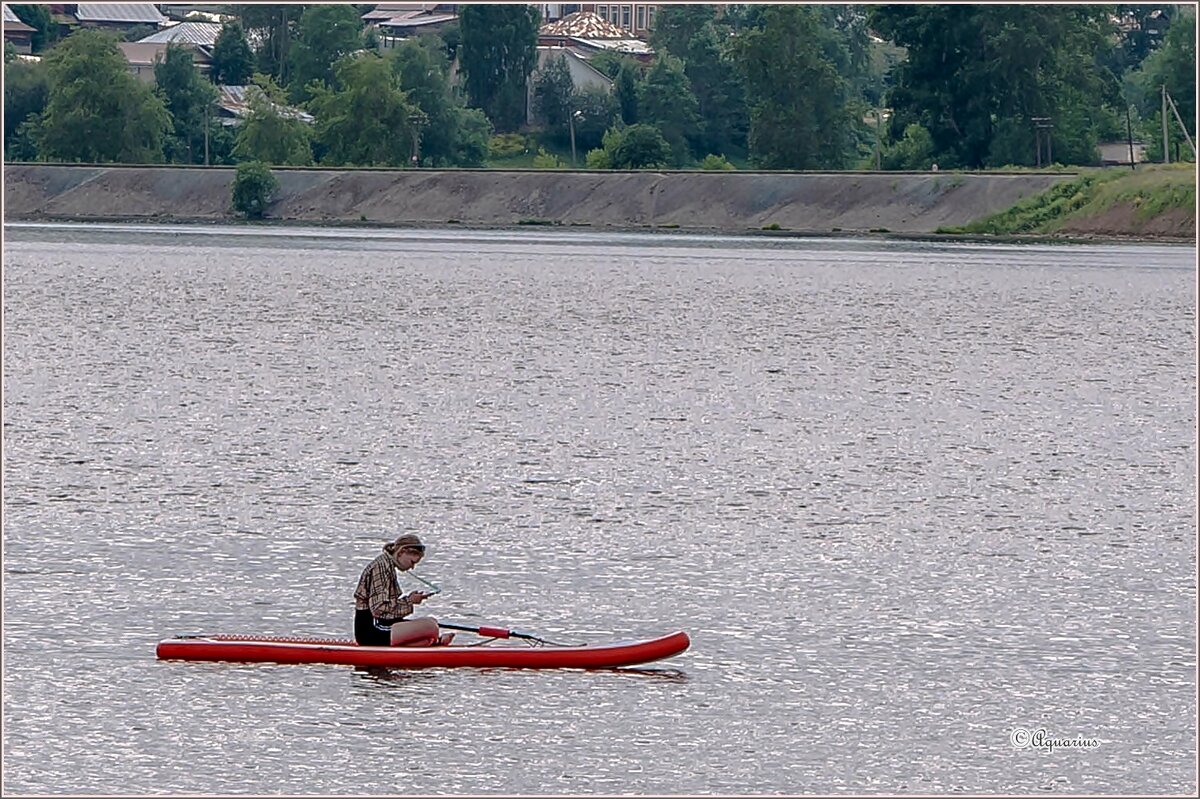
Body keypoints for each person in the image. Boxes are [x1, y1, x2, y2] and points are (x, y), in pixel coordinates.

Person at [354, 534, 454, 647]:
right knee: (430, 626)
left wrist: (410, 600)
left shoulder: (386, 565)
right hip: (372, 631)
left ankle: (432, 643)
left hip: (381, 625)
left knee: (430, 628)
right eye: (412, 562)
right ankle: (436, 642)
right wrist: (409, 601)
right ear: (402, 552)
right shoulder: (381, 568)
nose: (412, 567)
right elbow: (379, 609)